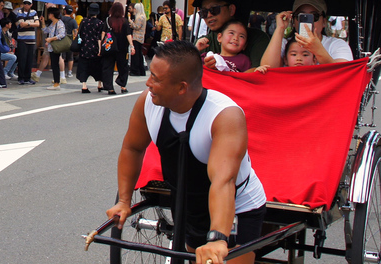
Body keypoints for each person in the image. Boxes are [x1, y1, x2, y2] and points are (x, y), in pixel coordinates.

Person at [106, 40, 266, 264]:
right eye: (150, 74)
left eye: (156, 79)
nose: (148, 83)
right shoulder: (148, 103)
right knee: (195, 258)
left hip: (237, 204)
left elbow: (223, 181)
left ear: (181, 87)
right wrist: (124, 200)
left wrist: (218, 237)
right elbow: (132, 148)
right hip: (191, 200)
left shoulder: (224, 116)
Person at [260, 0, 353, 69]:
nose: (307, 22)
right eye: (301, 16)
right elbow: (268, 69)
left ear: (324, 22)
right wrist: (280, 29)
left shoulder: (337, 44)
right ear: (294, 21)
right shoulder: (284, 43)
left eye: (314, 16)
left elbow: (344, 73)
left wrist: (318, 50)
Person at [194, 0, 270, 69]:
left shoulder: (257, 39)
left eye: (214, 9)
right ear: (219, 37)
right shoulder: (202, 44)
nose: (209, 15)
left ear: (231, 10)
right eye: (204, 12)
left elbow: (260, 73)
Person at [101, 2, 135, 95]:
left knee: (108, 67)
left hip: (109, 46)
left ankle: (110, 88)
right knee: (123, 67)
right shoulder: (124, 21)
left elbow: (103, 33)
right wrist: (132, 46)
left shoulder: (108, 20)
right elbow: (128, 34)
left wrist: (101, 46)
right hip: (122, 47)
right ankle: (123, 86)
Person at [77, 3, 105, 93]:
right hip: (95, 47)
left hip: (84, 47)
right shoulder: (100, 23)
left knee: (84, 66)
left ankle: (84, 85)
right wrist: (100, 49)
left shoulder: (84, 21)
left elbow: (80, 33)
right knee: (98, 66)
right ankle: (99, 85)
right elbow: (99, 37)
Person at [15, 0, 39, 85]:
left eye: (28, 3)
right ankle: (21, 77)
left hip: (31, 39)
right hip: (22, 39)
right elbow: (21, 24)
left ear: (31, 4)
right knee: (22, 59)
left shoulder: (34, 12)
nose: (26, 5)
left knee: (29, 60)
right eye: (25, 3)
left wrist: (28, 23)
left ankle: (27, 78)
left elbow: (37, 24)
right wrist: (31, 24)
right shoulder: (19, 12)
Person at [42, 6, 67, 91]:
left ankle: (57, 83)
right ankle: (56, 81)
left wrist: (51, 39)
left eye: (49, 13)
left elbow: (62, 34)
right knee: (54, 64)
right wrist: (42, 22)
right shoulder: (52, 24)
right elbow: (45, 31)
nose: (48, 15)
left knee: (55, 64)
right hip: (51, 47)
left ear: (52, 14)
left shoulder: (59, 23)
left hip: (56, 47)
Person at [129, 2, 147, 76]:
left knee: (136, 55)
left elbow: (136, 26)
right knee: (139, 54)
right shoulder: (143, 16)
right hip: (140, 37)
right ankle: (141, 70)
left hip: (137, 37)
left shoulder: (139, 17)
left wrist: (130, 21)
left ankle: (135, 70)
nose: (134, 10)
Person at [61, 5, 78, 79]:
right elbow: (75, 32)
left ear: (65, 11)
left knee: (62, 57)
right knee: (70, 57)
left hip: (61, 39)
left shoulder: (60, 19)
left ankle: (62, 72)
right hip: (70, 39)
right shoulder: (73, 21)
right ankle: (70, 72)